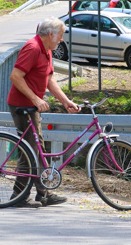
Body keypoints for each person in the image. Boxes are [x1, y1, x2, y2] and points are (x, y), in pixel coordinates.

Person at [7, 17, 80, 208]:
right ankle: (19, 196)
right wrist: (36, 99)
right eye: (61, 35)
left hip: (32, 106)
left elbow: (49, 80)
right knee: (29, 150)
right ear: (51, 34)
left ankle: (44, 193)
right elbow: (15, 76)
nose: (62, 40)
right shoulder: (32, 48)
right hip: (22, 106)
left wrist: (65, 101)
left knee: (39, 150)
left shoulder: (46, 50)